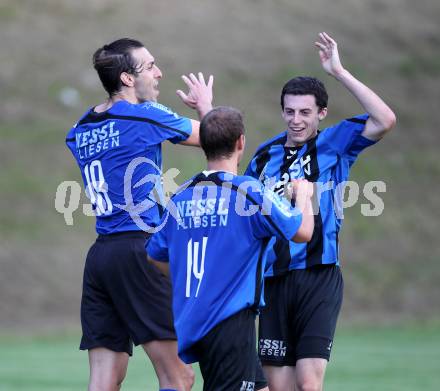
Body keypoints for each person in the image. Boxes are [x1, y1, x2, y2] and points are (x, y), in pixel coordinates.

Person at [245, 32, 397, 391]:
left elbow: (385, 119)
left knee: (309, 383)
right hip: (274, 280)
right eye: (289, 111)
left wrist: (340, 73)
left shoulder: (335, 142)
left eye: (305, 113)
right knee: (278, 386)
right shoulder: (263, 157)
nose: (296, 120)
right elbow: (245, 209)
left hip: (318, 276)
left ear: (321, 113)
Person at [65, 37, 213, 391]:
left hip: (101, 257)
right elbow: (218, 139)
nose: (159, 73)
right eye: (150, 67)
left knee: (104, 381)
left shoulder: (81, 128)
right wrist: (205, 107)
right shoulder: (145, 114)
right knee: (178, 375)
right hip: (140, 250)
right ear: (127, 79)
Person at [147, 106, 315, 391]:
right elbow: (302, 232)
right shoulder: (247, 192)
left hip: (196, 319)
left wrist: (191, 281)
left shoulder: (182, 196)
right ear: (241, 142)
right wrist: (304, 196)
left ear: (204, 144)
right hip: (229, 320)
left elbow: (155, 255)